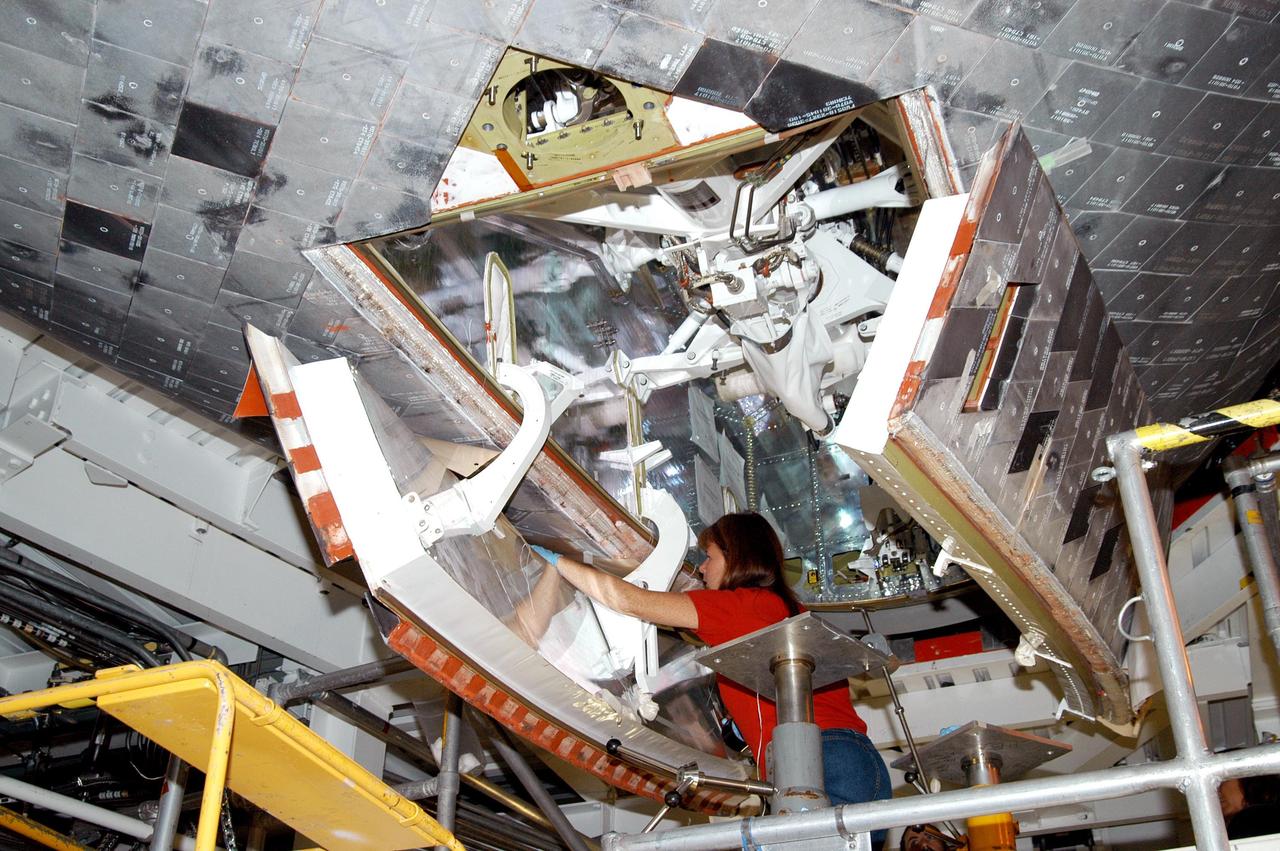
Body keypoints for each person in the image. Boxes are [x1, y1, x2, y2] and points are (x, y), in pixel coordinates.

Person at [539, 512, 892, 841]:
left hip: (818, 763)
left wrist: (557, 561)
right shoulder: (783, 608)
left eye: (709, 557)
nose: (704, 569)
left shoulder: (747, 605)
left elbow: (627, 599)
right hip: (851, 762)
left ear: (735, 558)